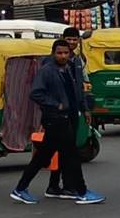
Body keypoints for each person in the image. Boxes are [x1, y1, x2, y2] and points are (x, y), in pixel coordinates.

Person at [11, 40, 106, 205]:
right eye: (59, 53)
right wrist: (55, 104)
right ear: (53, 53)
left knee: (42, 157)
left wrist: (83, 108)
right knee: (72, 155)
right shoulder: (47, 71)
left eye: (65, 53)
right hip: (56, 119)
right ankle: (81, 191)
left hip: (65, 118)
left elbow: (76, 91)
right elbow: (36, 93)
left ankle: (20, 188)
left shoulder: (68, 68)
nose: (62, 56)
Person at [44, 27, 93, 199]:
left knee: (63, 150)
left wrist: (85, 109)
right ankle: (66, 186)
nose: (72, 43)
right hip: (58, 114)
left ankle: (56, 186)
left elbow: (80, 87)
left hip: (73, 111)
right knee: (64, 150)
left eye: (75, 40)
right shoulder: (51, 62)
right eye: (69, 39)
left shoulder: (78, 61)